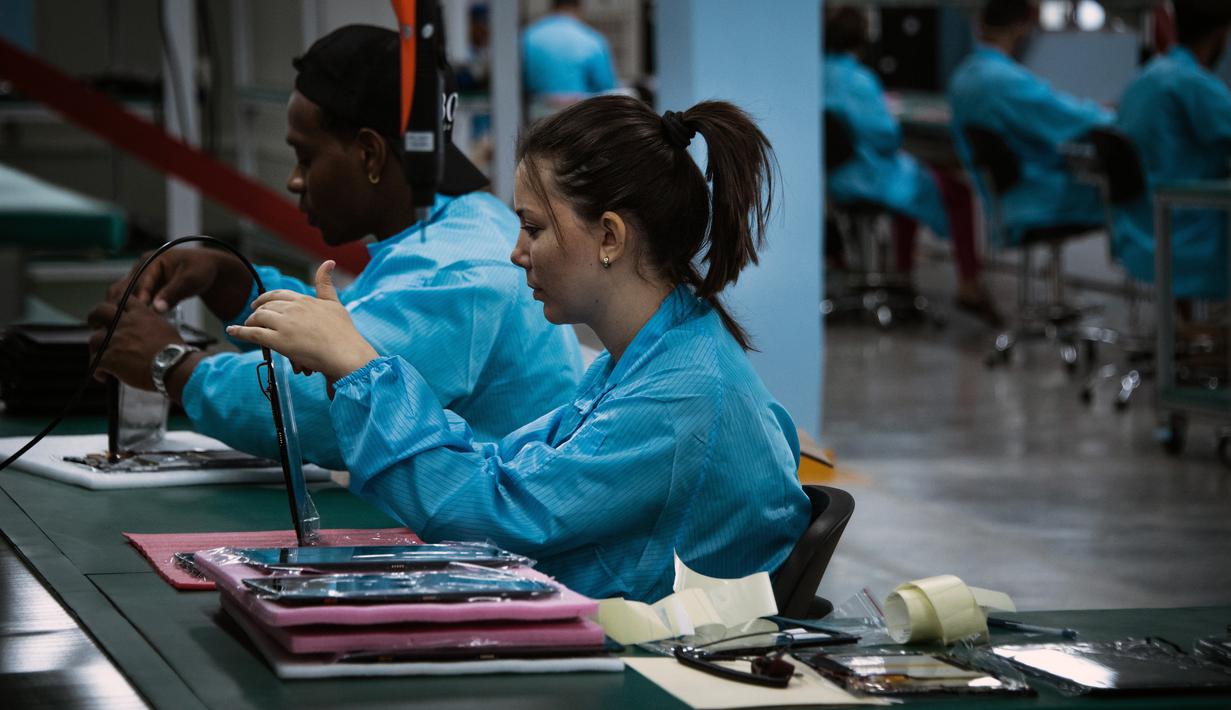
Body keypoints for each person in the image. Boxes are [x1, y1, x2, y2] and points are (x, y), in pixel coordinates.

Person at [224, 95, 812, 602]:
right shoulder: (647, 355)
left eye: (534, 228)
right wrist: (356, 372)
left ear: (610, 236)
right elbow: (508, 468)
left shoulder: (681, 391)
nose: (516, 252)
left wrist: (362, 369)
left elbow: (493, 517)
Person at [87, 25, 583, 470]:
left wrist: (170, 366)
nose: (295, 179)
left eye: (305, 156)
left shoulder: (458, 272)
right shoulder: (458, 223)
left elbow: (320, 406)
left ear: (369, 153)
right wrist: (234, 282)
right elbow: (353, 328)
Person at [823, 6, 999, 322]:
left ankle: (902, 275)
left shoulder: (818, 74)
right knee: (954, 190)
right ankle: (969, 284)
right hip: (867, 176)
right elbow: (886, 135)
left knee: (910, 190)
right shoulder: (859, 81)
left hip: (835, 181)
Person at [949, 0, 1114, 245]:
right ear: (1022, 28)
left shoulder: (963, 77)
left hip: (1003, 200)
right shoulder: (1005, 81)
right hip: (1035, 199)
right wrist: (1119, 114)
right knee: (1129, 196)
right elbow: (1068, 118)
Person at [1114, 0, 1231, 298]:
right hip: (1189, 243)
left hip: (1140, 238)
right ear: (1221, 36)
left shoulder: (1145, 77)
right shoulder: (1193, 84)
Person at [521, 0, 617, 117]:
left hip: (536, 116)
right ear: (579, 8)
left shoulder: (527, 36)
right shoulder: (591, 39)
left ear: (552, 7)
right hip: (578, 117)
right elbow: (606, 87)